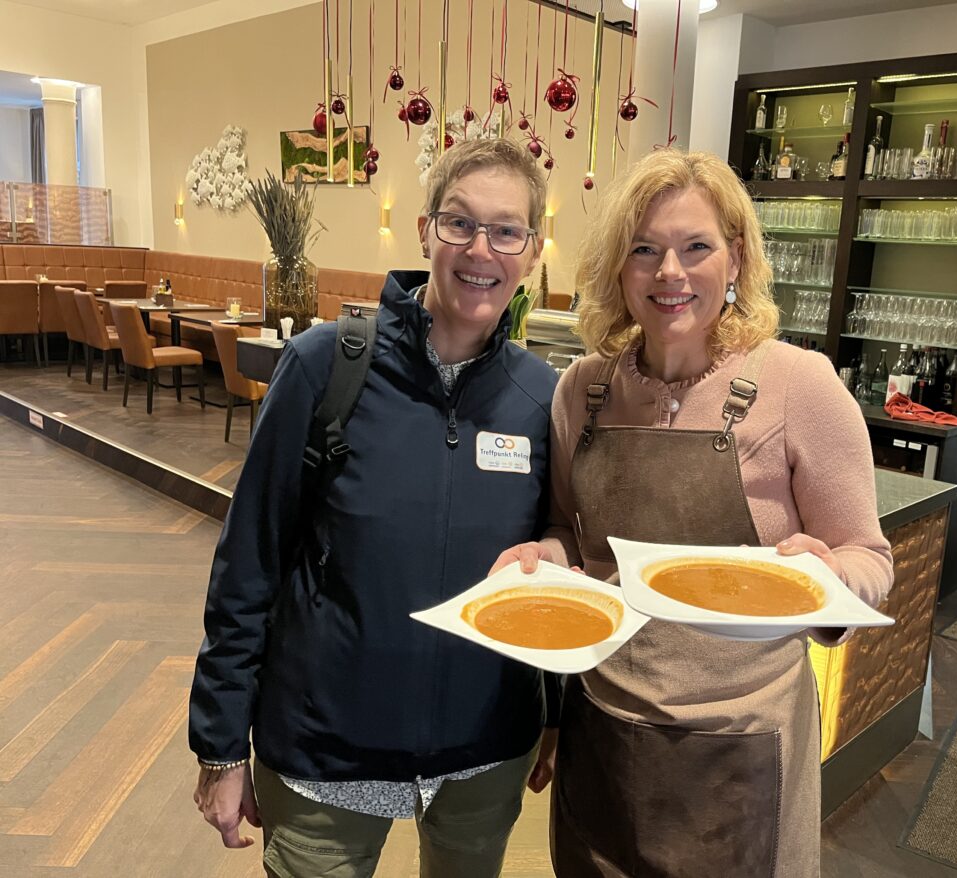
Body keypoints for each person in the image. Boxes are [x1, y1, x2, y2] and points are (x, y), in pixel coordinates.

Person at [493, 150, 894, 877]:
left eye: (695, 247)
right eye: (643, 250)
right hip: (604, 735)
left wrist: (829, 574)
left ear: (736, 258)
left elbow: (871, 558)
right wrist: (545, 560)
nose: (668, 273)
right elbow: (564, 531)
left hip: (740, 751)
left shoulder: (796, 385)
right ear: (619, 270)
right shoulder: (581, 392)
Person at [188, 137, 560, 878]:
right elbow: (249, 565)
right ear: (425, 230)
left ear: (533, 249)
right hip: (327, 752)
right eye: (459, 223)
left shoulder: (542, 399)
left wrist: (553, 712)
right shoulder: (325, 367)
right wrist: (222, 744)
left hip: (482, 752)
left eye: (506, 230)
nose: (480, 249)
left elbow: (552, 571)